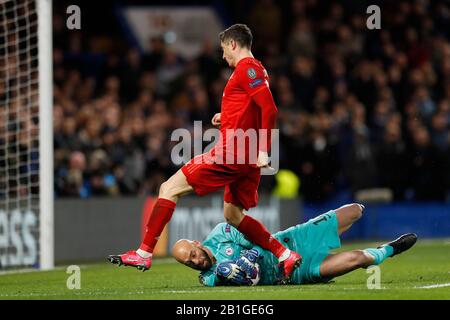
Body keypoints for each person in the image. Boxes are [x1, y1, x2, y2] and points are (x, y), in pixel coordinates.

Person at [108, 24, 302, 281]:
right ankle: (285, 255)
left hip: (233, 152)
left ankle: (144, 252)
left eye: (224, 50)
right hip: (244, 154)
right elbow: (254, 108)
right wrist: (229, 117)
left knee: (168, 188)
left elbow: (270, 109)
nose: (223, 56)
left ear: (233, 44)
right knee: (232, 215)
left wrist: (265, 149)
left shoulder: (248, 68)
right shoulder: (254, 70)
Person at [171, 203, 418, 286]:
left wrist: (252, 255)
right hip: (296, 271)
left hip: (292, 240)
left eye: (192, 253)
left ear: (196, 243)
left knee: (356, 211)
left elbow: (257, 238)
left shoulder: (219, 234)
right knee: (360, 258)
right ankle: (389, 250)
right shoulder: (208, 278)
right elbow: (246, 282)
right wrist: (243, 271)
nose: (195, 261)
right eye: (188, 262)